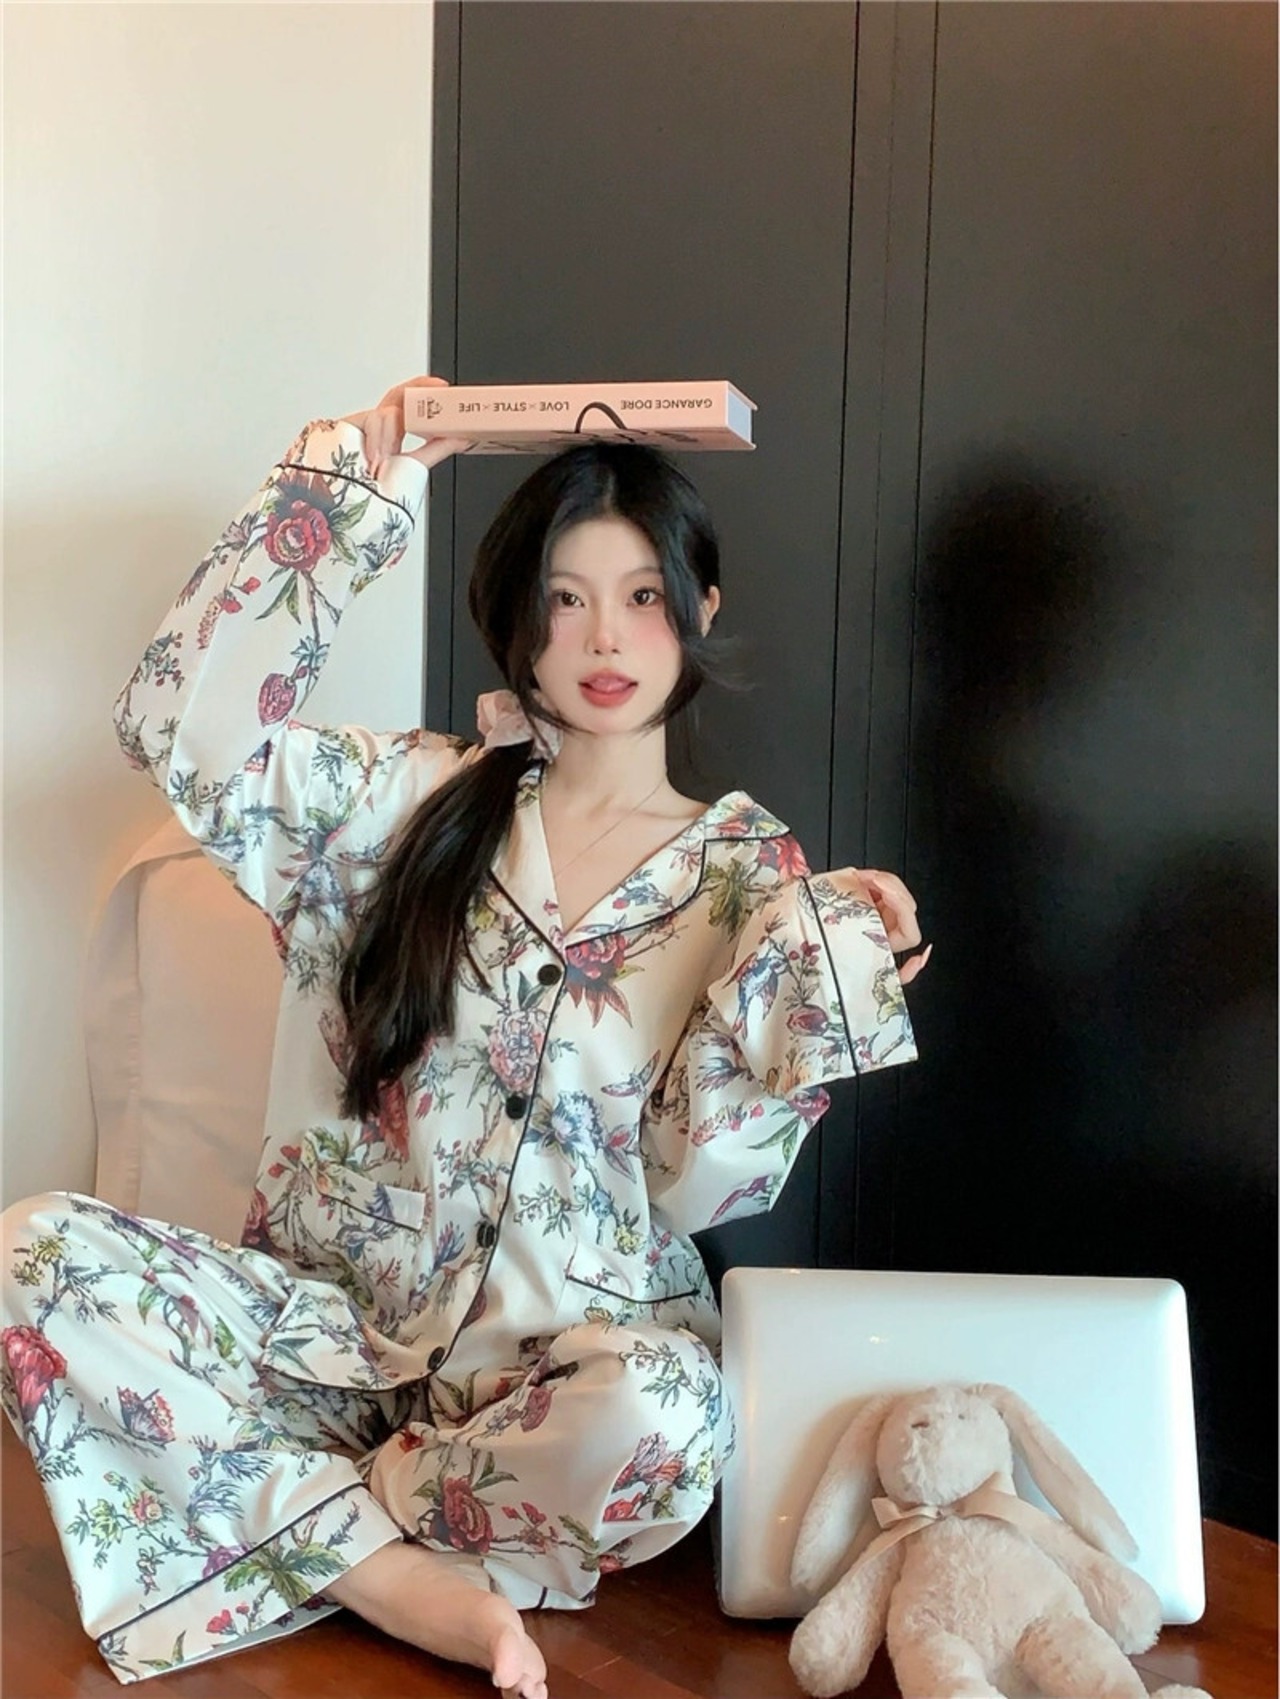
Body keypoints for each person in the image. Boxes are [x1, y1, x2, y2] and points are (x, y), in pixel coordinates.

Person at [1, 376, 929, 1697]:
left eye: (643, 594)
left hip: (548, 1388)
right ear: (515, 622)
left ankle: (304, 1521)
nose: (603, 635)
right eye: (563, 597)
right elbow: (181, 734)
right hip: (329, 1348)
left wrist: (820, 978)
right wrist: (343, 500)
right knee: (33, 1253)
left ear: (702, 609)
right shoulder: (402, 802)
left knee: (672, 1411)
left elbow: (690, 1186)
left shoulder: (747, 874)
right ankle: (395, 1578)